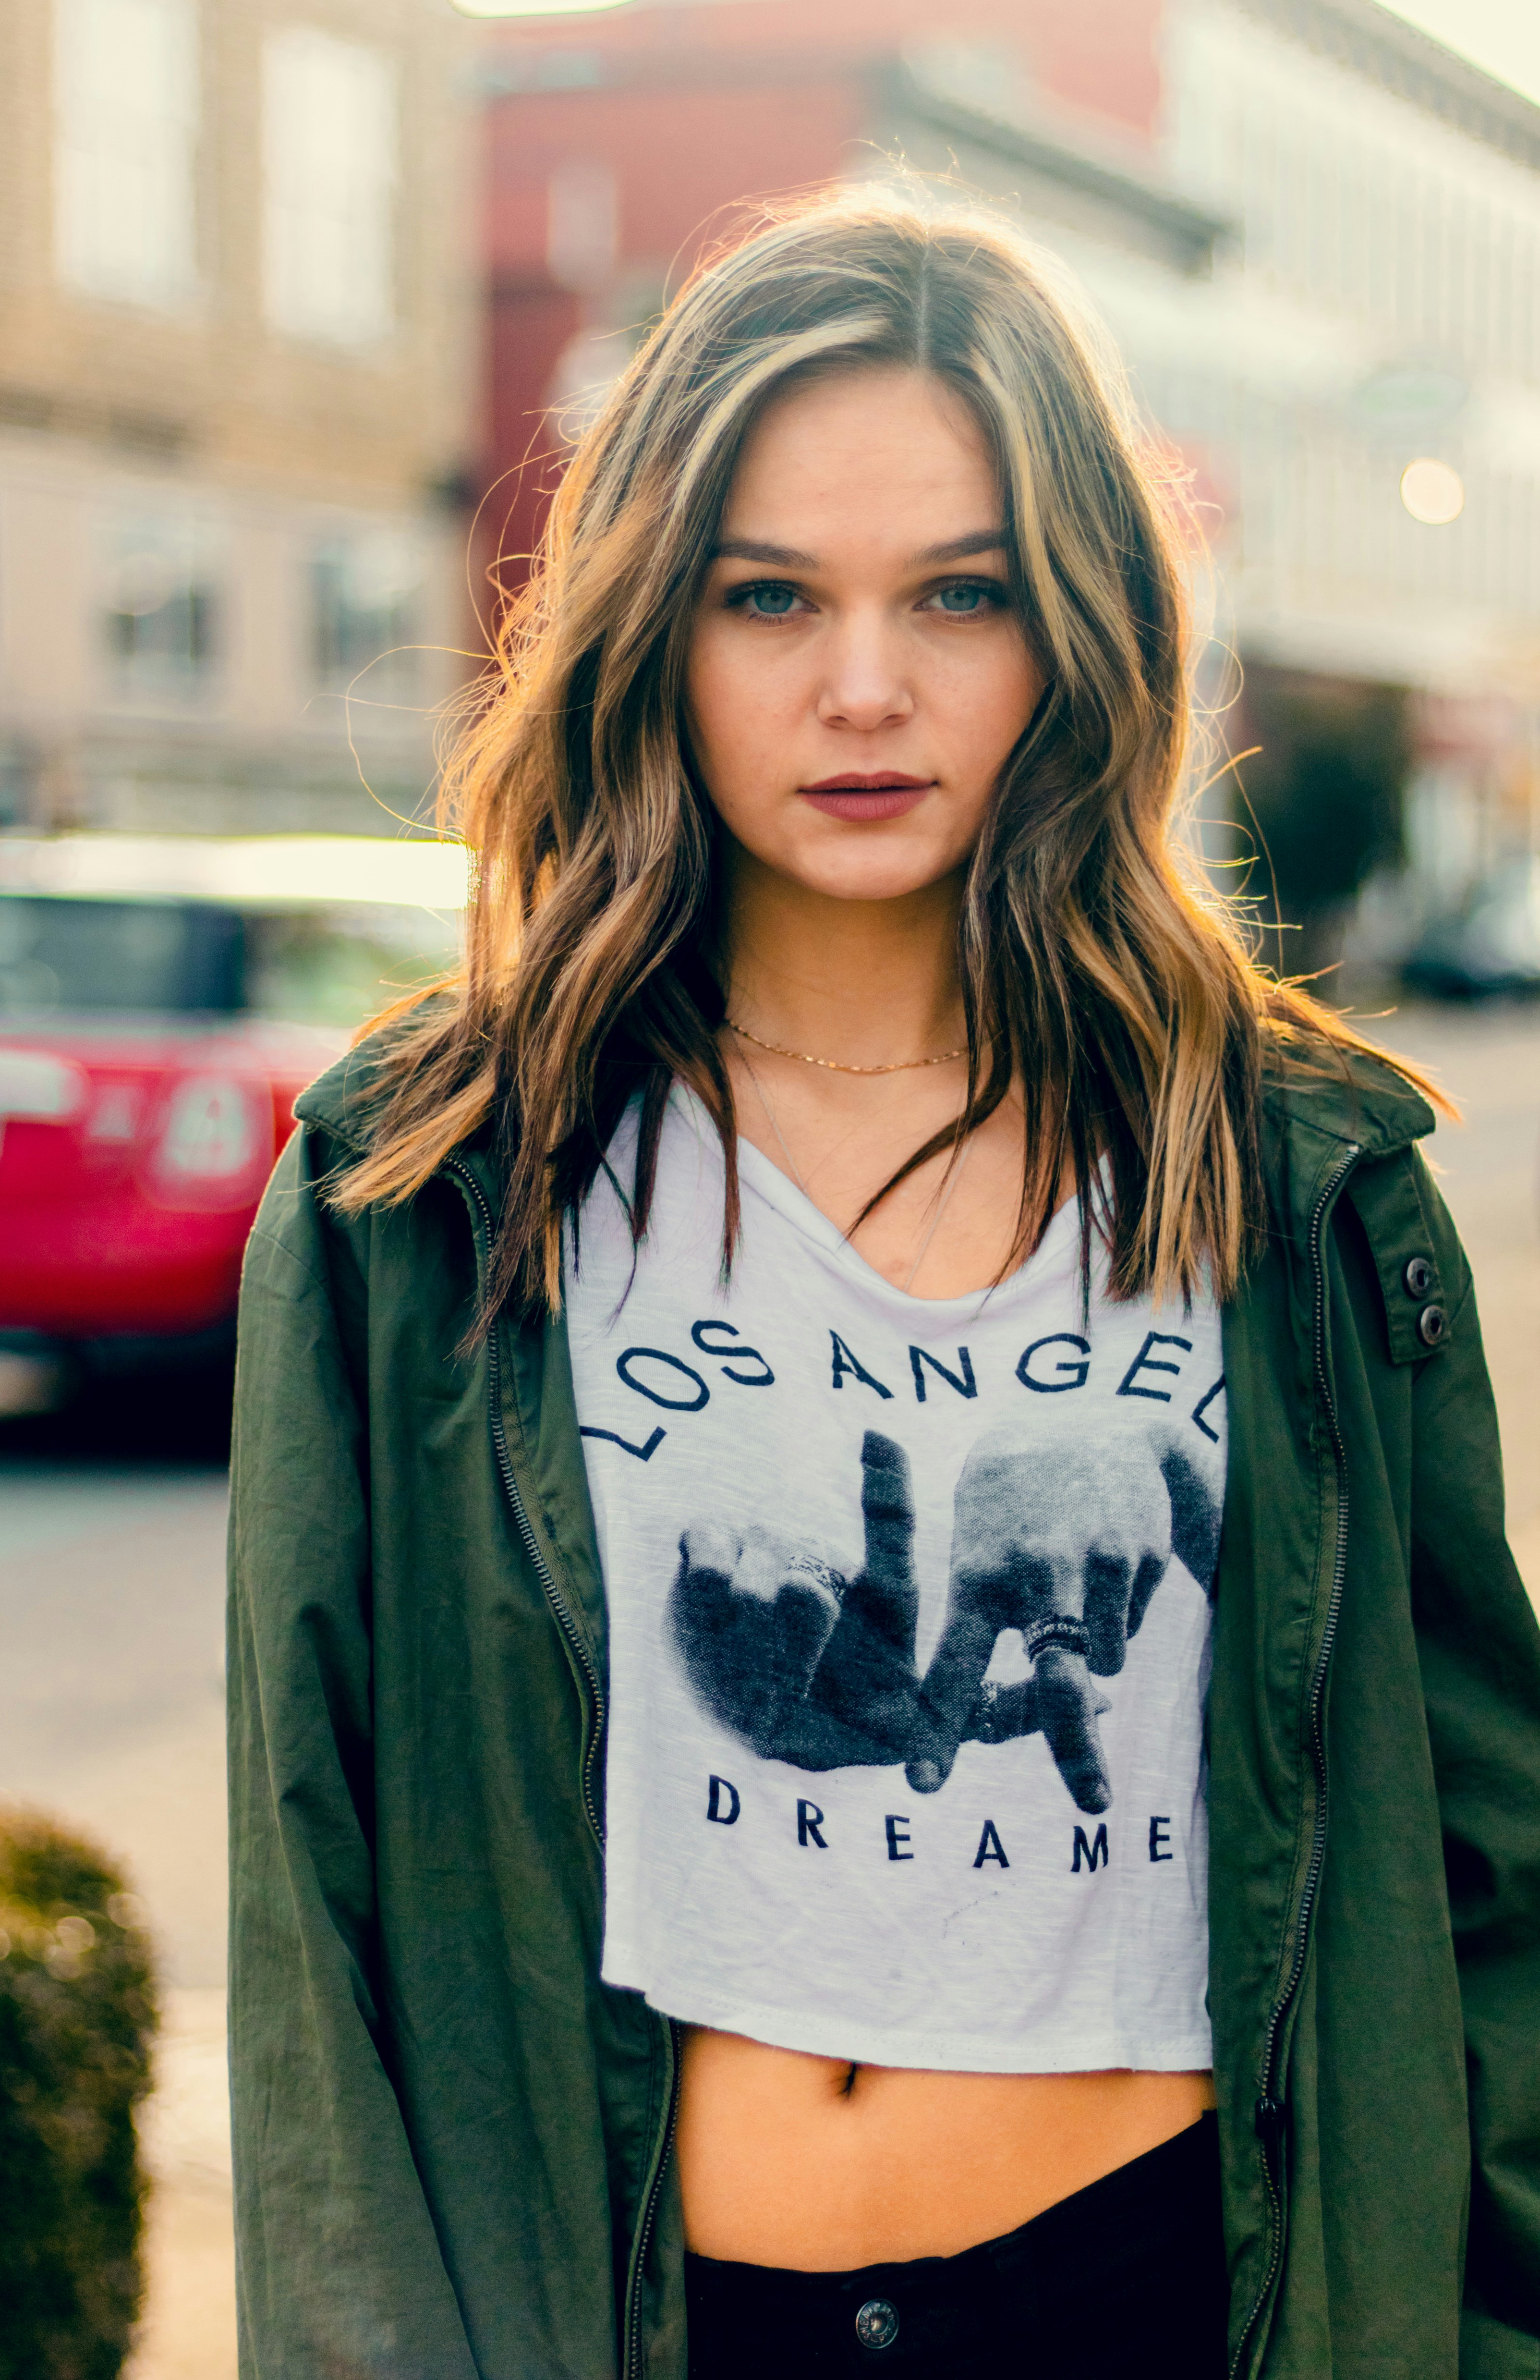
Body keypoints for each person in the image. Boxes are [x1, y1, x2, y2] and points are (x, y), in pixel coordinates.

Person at [226, 196, 1540, 2380]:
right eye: (770, 596)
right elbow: (315, 1904)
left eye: (961, 591)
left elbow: (1490, 1872)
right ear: (656, 623)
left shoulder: (1294, 1171)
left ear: (1079, 626)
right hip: (653, 2313)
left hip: (1169, 2293)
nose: (866, 685)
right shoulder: (438, 1175)